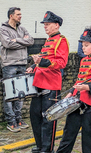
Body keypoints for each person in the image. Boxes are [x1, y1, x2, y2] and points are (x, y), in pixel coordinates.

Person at [56, 29, 91, 153]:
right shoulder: (83, 60)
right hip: (76, 101)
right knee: (68, 132)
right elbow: (79, 80)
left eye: (86, 45)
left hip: (90, 103)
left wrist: (86, 87)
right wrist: (70, 93)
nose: (83, 48)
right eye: (82, 45)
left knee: (88, 135)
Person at [26, 11, 69, 153]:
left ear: (56, 26)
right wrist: (33, 66)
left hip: (51, 84)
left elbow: (61, 63)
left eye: (48, 24)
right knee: (35, 115)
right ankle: (39, 145)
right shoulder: (48, 41)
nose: (45, 27)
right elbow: (42, 61)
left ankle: (47, 149)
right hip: (39, 82)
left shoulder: (61, 40)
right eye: (44, 24)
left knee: (48, 118)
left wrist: (42, 61)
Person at [0, 7, 34, 132]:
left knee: (20, 93)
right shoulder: (3, 29)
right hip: (9, 65)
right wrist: (23, 41)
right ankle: (11, 121)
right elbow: (8, 44)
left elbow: (30, 41)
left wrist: (18, 40)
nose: (20, 16)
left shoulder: (22, 28)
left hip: (22, 64)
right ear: (11, 16)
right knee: (9, 94)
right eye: (18, 14)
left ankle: (19, 119)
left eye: (20, 14)